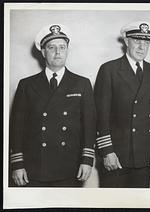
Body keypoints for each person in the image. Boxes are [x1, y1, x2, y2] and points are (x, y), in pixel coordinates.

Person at [10, 24, 96, 187]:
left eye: (62, 47)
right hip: (33, 167)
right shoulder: (26, 85)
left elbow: (89, 126)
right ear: (43, 52)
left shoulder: (82, 84)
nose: (58, 52)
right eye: (51, 47)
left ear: (67, 50)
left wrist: (87, 160)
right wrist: (17, 164)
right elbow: (16, 127)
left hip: (70, 166)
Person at [94, 21, 150, 188]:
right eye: (136, 41)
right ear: (126, 41)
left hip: (144, 153)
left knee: (140, 203)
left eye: (146, 42)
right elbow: (100, 115)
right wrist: (107, 151)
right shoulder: (109, 70)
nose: (141, 47)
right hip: (116, 154)